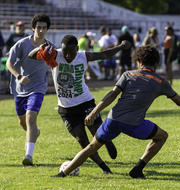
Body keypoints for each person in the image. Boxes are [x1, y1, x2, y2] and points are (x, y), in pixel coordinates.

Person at [51, 45, 180, 179]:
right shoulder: (161, 81)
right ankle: (138, 169)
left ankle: (63, 173)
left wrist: (93, 113)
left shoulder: (128, 74)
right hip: (134, 124)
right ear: (156, 63)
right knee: (162, 136)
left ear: (139, 61)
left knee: (91, 147)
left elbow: (111, 95)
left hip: (113, 120)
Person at [29, 35, 131, 174]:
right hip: (66, 110)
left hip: (85, 103)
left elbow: (104, 54)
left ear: (77, 48)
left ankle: (107, 141)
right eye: (65, 52)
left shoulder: (83, 56)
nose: (68, 55)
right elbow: (31, 56)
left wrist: (120, 46)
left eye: (71, 52)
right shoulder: (55, 54)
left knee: (98, 133)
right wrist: (40, 49)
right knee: (84, 142)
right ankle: (105, 169)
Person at [6, 13, 52, 166]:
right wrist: (19, 77)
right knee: (22, 122)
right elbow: (8, 63)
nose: (41, 30)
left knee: (30, 118)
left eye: (44, 28)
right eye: (38, 27)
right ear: (33, 28)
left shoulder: (49, 47)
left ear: (47, 29)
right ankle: (34, 133)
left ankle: (28, 156)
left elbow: (54, 66)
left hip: (38, 88)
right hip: (20, 87)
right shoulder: (21, 44)